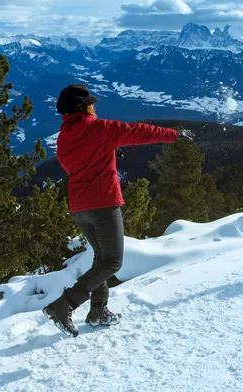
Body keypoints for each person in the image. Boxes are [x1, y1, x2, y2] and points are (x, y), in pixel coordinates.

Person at [43, 84, 191, 337]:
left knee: (101, 259)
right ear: (85, 107)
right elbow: (139, 132)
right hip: (104, 203)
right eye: (91, 103)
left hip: (80, 206)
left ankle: (99, 312)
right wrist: (174, 135)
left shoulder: (63, 136)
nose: (94, 106)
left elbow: (73, 166)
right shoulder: (101, 128)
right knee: (112, 262)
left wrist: (105, 154)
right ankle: (64, 304)